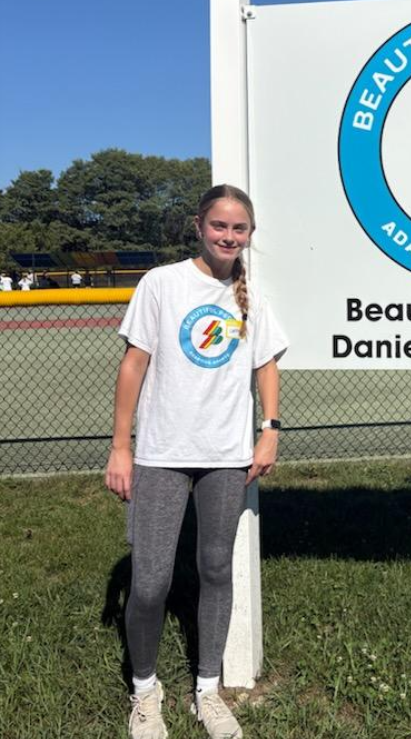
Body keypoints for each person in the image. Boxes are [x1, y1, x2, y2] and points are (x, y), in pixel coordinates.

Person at [105, 184, 288, 739]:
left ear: (249, 234)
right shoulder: (162, 283)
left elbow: (266, 365)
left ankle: (207, 690)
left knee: (214, 569)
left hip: (227, 457)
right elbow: (134, 365)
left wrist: (270, 431)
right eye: (219, 226)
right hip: (162, 454)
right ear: (199, 226)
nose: (229, 236)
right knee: (150, 582)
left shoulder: (252, 296)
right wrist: (121, 446)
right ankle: (145, 690)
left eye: (239, 228)